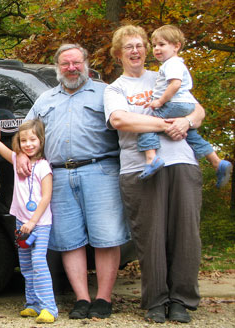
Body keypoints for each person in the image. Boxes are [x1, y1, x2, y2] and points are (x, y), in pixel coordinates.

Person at [17, 43, 130, 320]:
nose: (71, 68)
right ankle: (82, 298)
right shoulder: (45, 99)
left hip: (100, 170)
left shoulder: (106, 93)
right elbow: (26, 131)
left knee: (106, 237)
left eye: (76, 63)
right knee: (70, 240)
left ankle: (103, 298)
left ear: (86, 63)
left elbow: (126, 125)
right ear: (58, 67)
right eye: (65, 63)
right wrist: (20, 152)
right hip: (59, 175)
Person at [104, 25, 206, 323]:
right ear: (118, 54)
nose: (135, 51)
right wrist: (164, 125)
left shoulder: (165, 75)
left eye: (139, 45)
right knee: (150, 237)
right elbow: (121, 119)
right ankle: (155, 301)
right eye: (128, 47)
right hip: (140, 168)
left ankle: (181, 300)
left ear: (147, 50)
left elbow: (198, 111)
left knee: (186, 234)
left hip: (181, 161)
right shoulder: (115, 88)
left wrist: (185, 122)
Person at [0, 120, 57, 324]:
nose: (28, 144)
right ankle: (32, 304)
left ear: (41, 140)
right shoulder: (16, 160)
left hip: (38, 223)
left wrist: (32, 222)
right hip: (21, 222)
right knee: (26, 265)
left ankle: (49, 307)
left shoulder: (44, 167)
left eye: (33, 139)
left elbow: (46, 197)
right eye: (23, 141)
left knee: (39, 262)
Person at [136, 24, 232, 183]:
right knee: (192, 135)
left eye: (162, 44)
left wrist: (160, 101)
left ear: (176, 46)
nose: (157, 49)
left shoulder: (172, 64)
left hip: (174, 104)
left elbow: (175, 84)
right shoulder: (175, 63)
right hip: (185, 105)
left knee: (147, 124)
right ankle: (217, 162)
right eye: (154, 46)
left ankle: (151, 159)